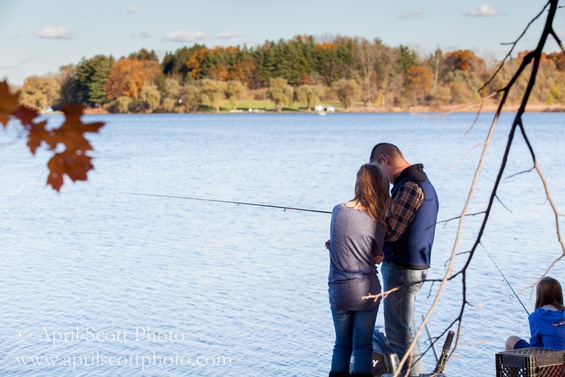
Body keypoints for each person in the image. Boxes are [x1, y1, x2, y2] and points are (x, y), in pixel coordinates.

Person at [369, 143, 439, 376]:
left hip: (403, 270)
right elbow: (405, 231)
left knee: (400, 335)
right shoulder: (422, 183)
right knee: (404, 332)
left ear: (383, 160)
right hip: (409, 265)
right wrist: (384, 252)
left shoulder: (410, 185)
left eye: (377, 171)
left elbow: (392, 230)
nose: (380, 179)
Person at [328, 163, 392, 377]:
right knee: (362, 345)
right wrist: (379, 257)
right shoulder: (378, 220)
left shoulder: (338, 211)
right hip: (366, 290)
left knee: (341, 344)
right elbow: (375, 256)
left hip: (339, 289)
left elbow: (339, 241)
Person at [505, 276, 565, 351]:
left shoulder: (535, 316)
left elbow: (536, 346)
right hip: (562, 358)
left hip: (548, 359)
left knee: (511, 340)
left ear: (540, 294)